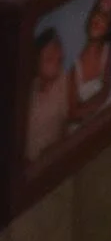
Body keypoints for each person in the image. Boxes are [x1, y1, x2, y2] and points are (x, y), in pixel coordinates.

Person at [67, 0, 111, 125]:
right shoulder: (75, 69)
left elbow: (107, 86)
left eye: (105, 15)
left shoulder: (107, 51)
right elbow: (72, 113)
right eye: (97, 11)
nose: (99, 19)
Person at [25, 29, 69, 162]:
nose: (57, 56)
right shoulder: (30, 88)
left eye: (57, 50)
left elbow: (67, 126)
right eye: (49, 57)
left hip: (48, 161)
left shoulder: (63, 82)